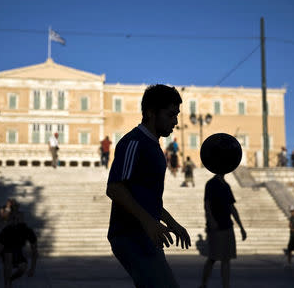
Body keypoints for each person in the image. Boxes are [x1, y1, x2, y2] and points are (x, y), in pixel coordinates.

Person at [106, 84, 191, 288]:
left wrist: (173, 223)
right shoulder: (134, 142)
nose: (176, 122)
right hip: (130, 235)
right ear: (151, 112)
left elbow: (145, 199)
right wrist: (149, 222)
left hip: (146, 233)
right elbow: (115, 188)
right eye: (171, 115)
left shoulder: (154, 146)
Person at [200, 174, 247, 288]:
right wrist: (211, 220)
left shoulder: (226, 186)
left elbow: (232, 207)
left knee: (226, 259)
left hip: (227, 226)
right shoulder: (211, 184)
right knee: (212, 257)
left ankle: (226, 285)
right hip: (216, 227)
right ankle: (204, 284)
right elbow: (207, 204)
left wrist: (241, 227)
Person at [0, 209, 38, 288]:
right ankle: (7, 285)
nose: (16, 221)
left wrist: (32, 269)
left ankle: (10, 280)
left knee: (23, 267)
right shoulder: (7, 230)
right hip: (6, 250)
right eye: (14, 219)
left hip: (18, 251)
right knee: (8, 256)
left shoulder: (28, 231)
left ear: (22, 220)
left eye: (18, 219)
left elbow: (34, 251)